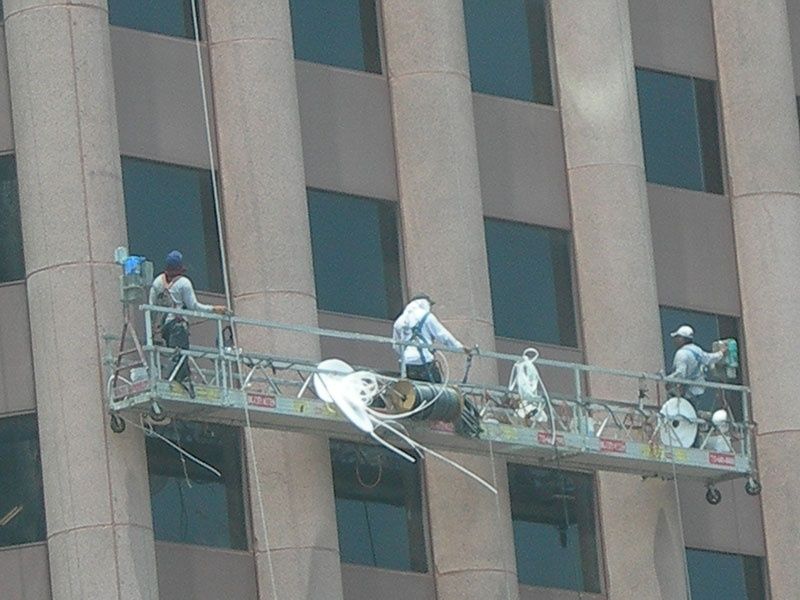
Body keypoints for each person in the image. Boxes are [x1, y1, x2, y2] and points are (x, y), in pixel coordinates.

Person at [149, 250, 227, 396]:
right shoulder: (184, 283)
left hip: (165, 327)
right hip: (178, 326)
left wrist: (153, 330)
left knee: (176, 354)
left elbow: (152, 307)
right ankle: (176, 381)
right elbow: (193, 306)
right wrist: (214, 309)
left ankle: (179, 379)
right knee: (179, 355)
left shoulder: (157, 282)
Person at [392, 294, 470, 383]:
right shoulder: (426, 317)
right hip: (424, 362)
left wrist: (408, 353)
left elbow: (396, 346)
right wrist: (460, 347)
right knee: (438, 391)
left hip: (406, 364)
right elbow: (443, 335)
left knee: (414, 393)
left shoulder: (399, 321)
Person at [667, 325, 726, 405]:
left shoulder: (681, 354)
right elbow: (709, 358)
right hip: (697, 389)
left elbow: (680, 374)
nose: (675, 340)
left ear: (682, 339)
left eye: (677, 337)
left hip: (685, 393)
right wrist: (721, 353)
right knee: (692, 411)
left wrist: (668, 380)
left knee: (682, 412)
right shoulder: (696, 350)